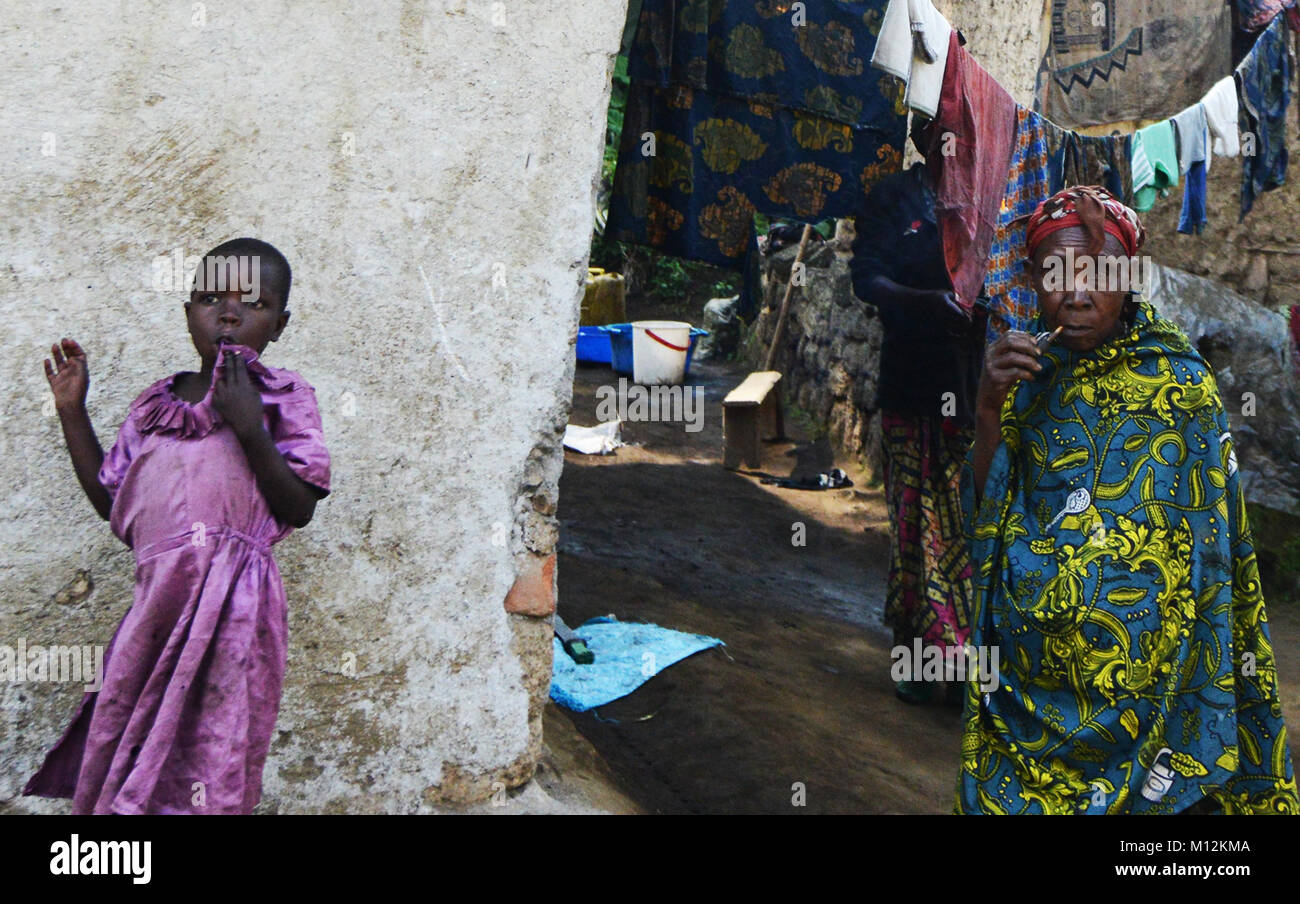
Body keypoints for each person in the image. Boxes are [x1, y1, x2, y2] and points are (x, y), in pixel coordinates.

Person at [956, 186, 1298, 814]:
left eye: (1097, 275)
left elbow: (1214, 554)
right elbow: (988, 519)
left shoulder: (1182, 387)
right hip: (1029, 694)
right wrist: (985, 410)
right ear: (1032, 278)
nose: (1077, 294)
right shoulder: (1023, 375)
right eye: (1056, 274)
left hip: (1147, 699)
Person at [25, 238, 331, 814]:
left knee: (211, 750)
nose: (229, 313)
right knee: (127, 735)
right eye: (210, 298)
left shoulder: (283, 397)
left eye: (254, 304)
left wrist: (248, 426)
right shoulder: (154, 406)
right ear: (187, 312)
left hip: (234, 612)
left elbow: (300, 506)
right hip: (157, 604)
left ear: (280, 325)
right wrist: (73, 411)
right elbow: (113, 502)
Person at [850, 161, 988, 705]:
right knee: (913, 528)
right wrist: (924, 303)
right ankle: (922, 656)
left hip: (970, 392)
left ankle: (961, 660)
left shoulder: (985, 196)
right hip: (909, 387)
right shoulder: (896, 197)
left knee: (961, 527)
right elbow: (867, 278)